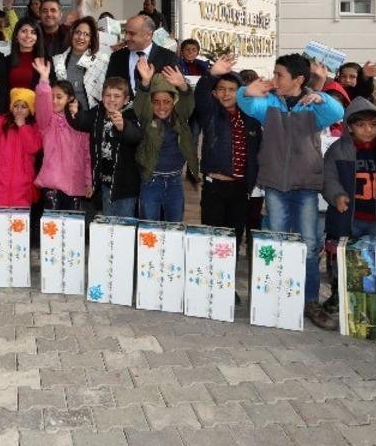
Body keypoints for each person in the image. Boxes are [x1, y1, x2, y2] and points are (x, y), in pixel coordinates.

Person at [236, 53, 344, 330]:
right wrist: (247, 90)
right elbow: (246, 104)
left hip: (306, 185)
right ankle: (276, 297)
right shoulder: (269, 104)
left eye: (279, 75)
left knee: (309, 245)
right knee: (276, 243)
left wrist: (321, 96)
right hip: (274, 184)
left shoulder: (313, 107)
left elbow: (338, 113)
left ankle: (310, 301)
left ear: (298, 79)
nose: (274, 78)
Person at [321, 97, 376, 314]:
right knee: (341, 257)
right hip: (347, 217)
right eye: (361, 125)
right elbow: (328, 177)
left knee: (371, 259)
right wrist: (336, 195)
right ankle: (338, 294)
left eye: (373, 125)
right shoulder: (338, 150)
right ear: (350, 126)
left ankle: (368, 299)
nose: (368, 130)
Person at [195, 55, 261, 251]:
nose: (226, 94)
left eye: (232, 90)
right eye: (221, 89)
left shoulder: (251, 117)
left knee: (234, 238)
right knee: (212, 238)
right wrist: (211, 74)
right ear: (214, 93)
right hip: (214, 186)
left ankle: (230, 270)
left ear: (240, 93)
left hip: (241, 188)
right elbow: (200, 95)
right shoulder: (211, 113)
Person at [68, 77, 143, 218]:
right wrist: (75, 111)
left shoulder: (131, 115)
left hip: (125, 188)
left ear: (126, 100)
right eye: (108, 95)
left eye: (117, 96)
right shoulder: (98, 113)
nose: (112, 99)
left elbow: (136, 137)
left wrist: (123, 127)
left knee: (125, 225)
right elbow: (82, 122)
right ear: (102, 97)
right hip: (105, 184)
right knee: (108, 223)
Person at [132, 62, 198, 223]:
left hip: (175, 183)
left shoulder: (180, 118)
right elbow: (140, 106)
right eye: (156, 102)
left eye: (167, 101)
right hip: (151, 181)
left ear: (174, 101)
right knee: (149, 227)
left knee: (174, 227)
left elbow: (188, 104)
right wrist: (145, 83)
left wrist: (182, 86)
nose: (162, 107)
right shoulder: (147, 119)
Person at [32, 58, 91, 212]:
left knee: (72, 224)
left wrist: (89, 181)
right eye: (51, 96)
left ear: (70, 98)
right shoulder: (47, 120)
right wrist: (44, 79)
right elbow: (42, 103)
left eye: (59, 97)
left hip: (75, 184)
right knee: (51, 225)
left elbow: (87, 155)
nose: (54, 101)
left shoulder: (81, 121)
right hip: (52, 184)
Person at [0, 78, 43, 212]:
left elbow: (33, 147)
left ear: (31, 110)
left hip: (23, 190)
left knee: (19, 224)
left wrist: (23, 127)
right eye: (16, 105)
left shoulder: (35, 128)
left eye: (24, 107)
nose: (19, 110)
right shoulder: (2, 123)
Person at [105, 14, 179, 98]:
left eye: (132, 34)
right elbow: (109, 88)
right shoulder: (117, 57)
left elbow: (172, 94)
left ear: (148, 35)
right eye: (125, 32)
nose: (126, 38)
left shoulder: (168, 58)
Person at [51, 15, 107, 112]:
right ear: (71, 35)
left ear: (91, 40)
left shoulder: (102, 60)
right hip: (63, 116)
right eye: (77, 32)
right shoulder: (57, 60)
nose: (81, 37)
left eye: (86, 34)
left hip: (92, 116)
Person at [6, 20, 48, 91]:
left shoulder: (45, 61)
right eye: (24, 31)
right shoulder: (6, 60)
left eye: (33, 32)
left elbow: (51, 90)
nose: (28, 36)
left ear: (37, 37)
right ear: (16, 36)